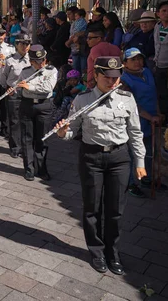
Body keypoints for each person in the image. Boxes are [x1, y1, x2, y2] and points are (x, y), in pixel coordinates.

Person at [55, 56, 146, 276]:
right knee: (92, 208)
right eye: (106, 77)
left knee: (115, 210)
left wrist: (140, 162)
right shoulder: (82, 100)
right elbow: (71, 131)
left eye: (116, 77)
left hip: (119, 158)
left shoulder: (127, 99)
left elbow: (135, 132)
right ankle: (96, 251)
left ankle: (112, 252)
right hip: (91, 157)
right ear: (95, 76)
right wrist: (62, 132)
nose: (112, 81)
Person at [121, 48, 165, 197]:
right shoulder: (124, 79)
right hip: (136, 120)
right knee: (135, 153)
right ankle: (132, 183)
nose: (137, 62)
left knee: (150, 152)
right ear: (125, 63)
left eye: (139, 58)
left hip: (151, 119)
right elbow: (132, 104)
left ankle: (147, 178)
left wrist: (157, 112)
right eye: (133, 59)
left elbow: (154, 94)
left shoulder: (147, 72)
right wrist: (150, 117)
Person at [16, 45, 57, 181]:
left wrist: (30, 87)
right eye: (37, 61)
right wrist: (22, 88)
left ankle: (41, 168)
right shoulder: (25, 71)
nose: (41, 64)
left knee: (42, 139)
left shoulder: (51, 71)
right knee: (27, 138)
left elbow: (47, 88)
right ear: (31, 61)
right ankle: (29, 168)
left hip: (44, 106)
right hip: (27, 105)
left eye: (43, 60)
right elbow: (21, 89)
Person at [0, 33, 31, 158]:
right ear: (16, 45)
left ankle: (26, 146)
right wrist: (9, 88)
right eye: (22, 44)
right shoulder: (9, 60)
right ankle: (15, 147)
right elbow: (3, 78)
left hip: (28, 94)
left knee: (27, 121)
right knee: (14, 121)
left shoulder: (32, 60)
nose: (25, 46)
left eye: (27, 44)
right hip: (14, 93)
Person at [67, 8, 88, 73]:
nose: (68, 16)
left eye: (76, 16)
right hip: (75, 48)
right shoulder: (75, 23)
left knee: (81, 68)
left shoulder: (81, 22)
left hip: (80, 47)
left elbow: (77, 32)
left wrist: (70, 41)